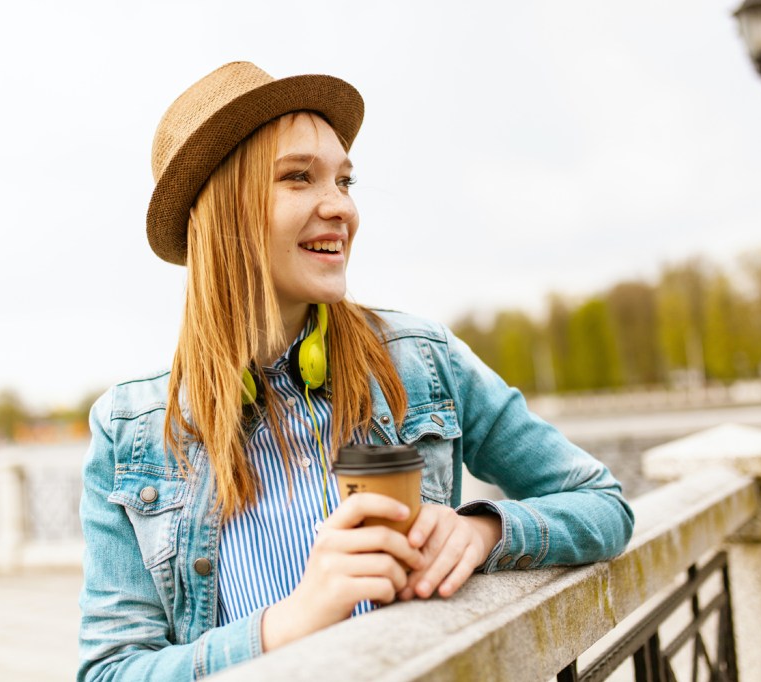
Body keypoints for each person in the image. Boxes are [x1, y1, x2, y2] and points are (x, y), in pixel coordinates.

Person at [78, 61, 634, 681]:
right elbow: (110, 671)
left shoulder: (422, 359)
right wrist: (288, 624)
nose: (341, 207)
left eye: (344, 181)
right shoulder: (129, 428)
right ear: (223, 213)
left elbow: (604, 506)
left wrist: (482, 532)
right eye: (299, 178)